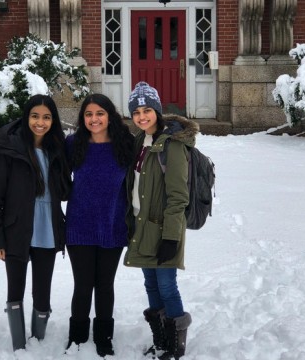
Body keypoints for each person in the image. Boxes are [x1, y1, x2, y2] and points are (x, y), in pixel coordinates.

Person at [0, 94, 71, 352]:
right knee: (16, 289)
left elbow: (65, 192)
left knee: (42, 292)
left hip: (47, 228)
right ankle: (19, 346)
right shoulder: (9, 150)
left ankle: (39, 342)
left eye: (46, 117)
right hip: (16, 230)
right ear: (26, 117)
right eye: (35, 116)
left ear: (53, 121)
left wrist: (63, 168)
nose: (40, 122)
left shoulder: (56, 149)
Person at [123, 82, 196, 360]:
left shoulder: (172, 146)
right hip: (141, 227)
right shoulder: (138, 141)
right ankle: (161, 341)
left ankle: (175, 345)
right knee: (151, 285)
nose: (142, 116)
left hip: (165, 229)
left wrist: (171, 236)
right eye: (137, 111)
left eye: (147, 110)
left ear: (158, 110)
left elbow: (179, 196)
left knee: (167, 285)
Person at [65, 93, 135, 357]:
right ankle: (77, 337)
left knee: (105, 284)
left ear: (110, 116)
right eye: (88, 114)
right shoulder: (74, 144)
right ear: (83, 118)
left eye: (99, 114)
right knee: (82, 284)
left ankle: (104, 337)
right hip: (79, 225)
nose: (94, 119)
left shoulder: (125, 144)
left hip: (112, 225)